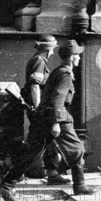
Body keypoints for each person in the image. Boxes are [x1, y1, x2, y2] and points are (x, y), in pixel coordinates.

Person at [0, 40, 96, 201]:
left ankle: (6, 186)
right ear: (71, 58)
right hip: (57, 118)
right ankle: (80, 186)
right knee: (77, 149)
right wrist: (55, 123)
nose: (79, 58)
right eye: (77, 55)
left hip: (44, 118)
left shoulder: (58, 71)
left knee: (32, 153)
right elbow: (57, 99)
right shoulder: (66, 75)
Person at [21, 34, 70, 185]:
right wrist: (37, 108)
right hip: (38, 107)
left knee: (42, 141)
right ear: (48, 49)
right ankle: (13, 170)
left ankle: (52, 173)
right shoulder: (39, 61)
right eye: (52, 49)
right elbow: (35, 86)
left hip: (38, 107)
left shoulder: (39, 60)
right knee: (40, 142)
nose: (53, 52)